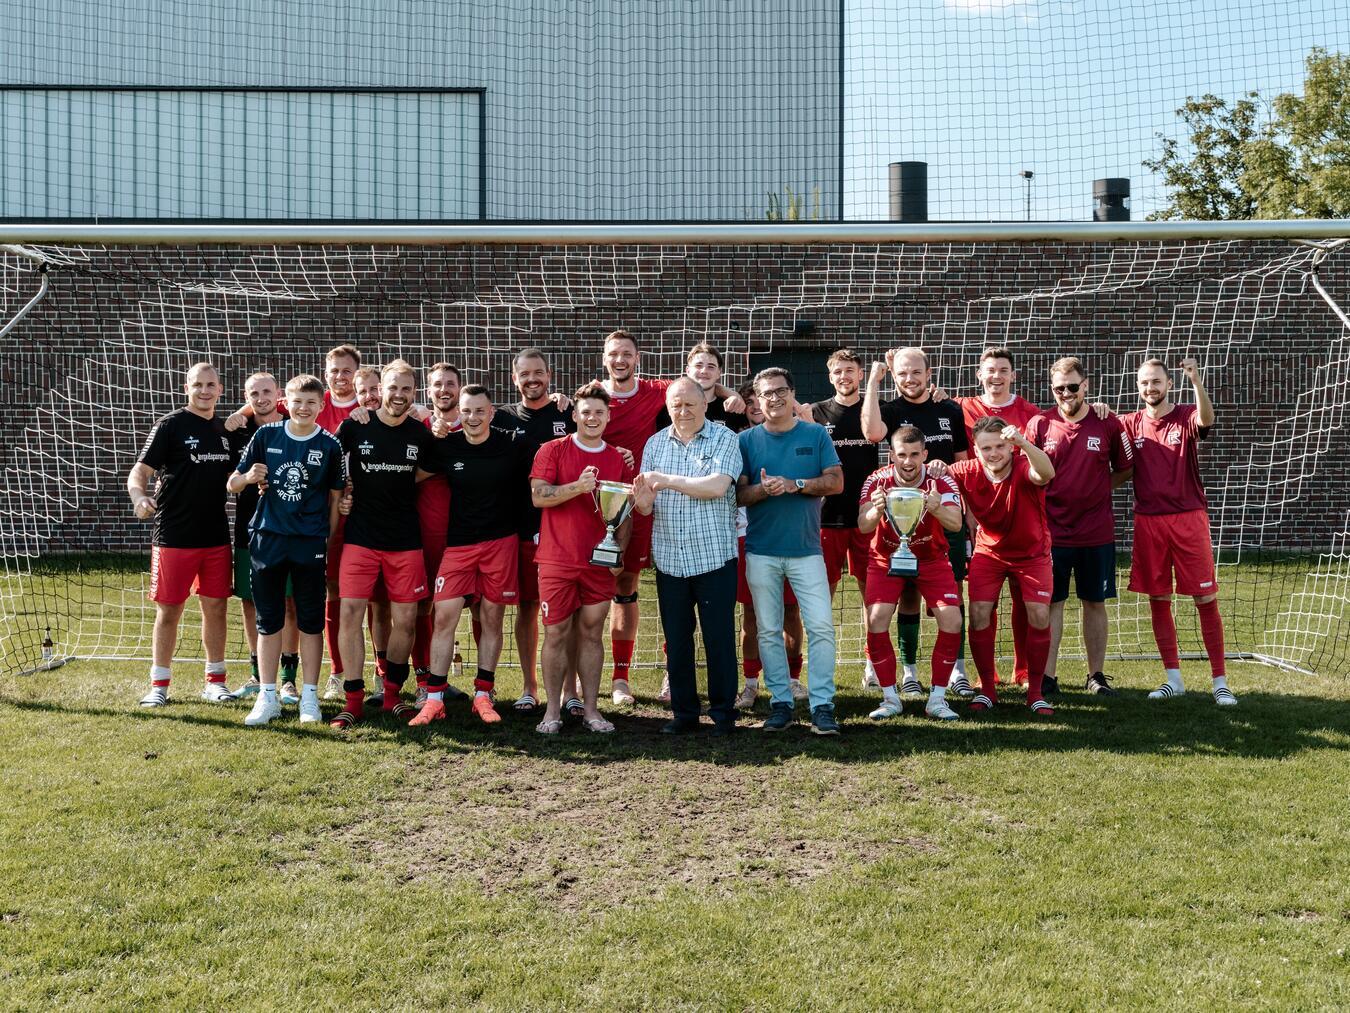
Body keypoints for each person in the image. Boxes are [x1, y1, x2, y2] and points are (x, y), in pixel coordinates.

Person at [600, 330, 742, 705]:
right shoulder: (607, 405)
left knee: (711, 633)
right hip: (638, 531)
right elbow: (647, 503)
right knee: (625, 600)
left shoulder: (717, 433)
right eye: (613, 354)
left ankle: (708, 703)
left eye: (626, 353)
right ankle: (650, 695)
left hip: (698, 544)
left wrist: (731, 394)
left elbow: (698, 384)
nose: (620, 360)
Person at [410, 385, 534, 727]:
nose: (473, 417)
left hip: (501, 544)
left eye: (480, 411)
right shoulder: (446, 447)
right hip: (459, 545)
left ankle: (483, 694)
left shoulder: (512, 447)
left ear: (491, 413)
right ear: (458, 414)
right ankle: (434, 698)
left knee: (492, 619)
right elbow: (409, 477)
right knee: (444, 614)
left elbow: (551, 456)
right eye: (467, 411)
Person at [229, 375, 346, 726]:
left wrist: (324, 539)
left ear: (321, 406)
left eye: (311, 402)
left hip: (309, 542)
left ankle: (309, 697)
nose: (303, 408)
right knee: (269, 621)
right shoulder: (266, 436)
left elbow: (337, 499)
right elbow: (232, 484)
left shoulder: (329, 445)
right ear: (286, 402)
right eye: (297, 401)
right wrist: (249, 477)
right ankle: (268, 697)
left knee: (310, 622)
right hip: (268, 539)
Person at [127, 362, 246, 707]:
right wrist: (139, 496)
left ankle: (215, 681)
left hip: (215, 536)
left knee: (217, 609)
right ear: (186, 388)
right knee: (169, 611)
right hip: (174, 536)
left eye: (211, 385)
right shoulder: (170, 425)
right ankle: (159, 686)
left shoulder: (227, 432)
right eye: (198, 385)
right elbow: (140, 471)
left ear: (220, 390)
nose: (205, 391)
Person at [1121, 357, 1236, 706]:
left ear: (1169, 384)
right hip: (1149, 521)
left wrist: (1197, 382)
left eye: (1156, 381)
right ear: (1138, 387)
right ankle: (1174, 678)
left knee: (1205, 598)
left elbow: (1206, 420)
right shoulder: (1130, 423)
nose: (1150, 388)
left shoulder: (1186, 414)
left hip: (1189, 518)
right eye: (1144, 382)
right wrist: (1099, 409)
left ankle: (1220, 682)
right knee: (1158, 598)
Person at [736, 367, 845, 735]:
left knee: (821, 627)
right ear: (757, 399)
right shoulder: (747, 440)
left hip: (806, 549)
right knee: (767, 629)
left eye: (781, 391)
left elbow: (836, 482)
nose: (774, 399)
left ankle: (822, 705)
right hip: (761, 550)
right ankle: (780, 702)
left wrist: (795, 484)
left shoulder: (815, 434)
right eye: (766, 394)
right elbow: (739, 494)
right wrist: (764, 490)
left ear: (792, 393)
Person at [331, 360, 440, 727]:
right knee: (349, 614)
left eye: (406, 389)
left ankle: (392, 695)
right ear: (381, 390)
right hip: (360, 538)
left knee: (406, 619)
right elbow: (330, 464)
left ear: (414, 393)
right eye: (392, 388)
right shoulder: (354, 426)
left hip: (405, 540)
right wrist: (343, 494)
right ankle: (354, 699)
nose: (398, 395)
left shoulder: (421, 435)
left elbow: (425, 473)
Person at [861, 347, 974, 697]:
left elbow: (964, 462)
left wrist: (947, 476)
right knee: (907, 597)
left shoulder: (949, 409)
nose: (909, 379)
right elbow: (871, 433)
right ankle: (908, 671)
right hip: (900, 518)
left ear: (929, 373)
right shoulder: (891, 410)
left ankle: (957, 670)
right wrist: (874, 383)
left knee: (952, 596)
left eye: (916, 372)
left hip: (942, 507)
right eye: (902, 374)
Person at [633, 377, 742, 735]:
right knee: (677, 640)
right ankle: (684, 713)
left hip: (714, 557)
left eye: (689, 404)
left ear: (705, 404)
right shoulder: (654, 444)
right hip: (669, 559)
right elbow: (647, 508)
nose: (682, 411)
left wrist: (666, 479)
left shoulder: (725, 439)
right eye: (676, 405)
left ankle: (723, 713)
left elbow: (717, 486)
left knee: (718, 638)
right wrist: (643, 498)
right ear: (668, 407)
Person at [931, 417, 1057, 716]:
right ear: (975, 449)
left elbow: (1047, 472)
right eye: (986, 448)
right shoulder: (968, 470)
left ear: (1010, 446)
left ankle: (1036, 693)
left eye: (1000, 446)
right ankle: (988, 689)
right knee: (977, 614)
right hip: (989, 552)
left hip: (1032, 554)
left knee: (1039, 614)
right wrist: (935, 465)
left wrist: (1024, 443)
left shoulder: (1025, 465)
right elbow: (937, 474)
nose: (994, 453)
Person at [530, 382, 634, 734]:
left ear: (608, 417)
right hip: (557, 560)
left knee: (592, 634)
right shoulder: (552, 450)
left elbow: (624, 512)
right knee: (556, 632)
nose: (592, 418)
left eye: (599, 413)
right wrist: (576, 486)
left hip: (598, 562)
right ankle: (552, 711)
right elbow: (539, 497)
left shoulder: (617, 459)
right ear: (574, 415)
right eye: (585, 412)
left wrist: (618, 548)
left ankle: (591, 711)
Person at [1026, 357, 1133, 695]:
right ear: (1052, 389)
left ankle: (1096, 676)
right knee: (1052, 603)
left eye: (1073, 387)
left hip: (1095, 532)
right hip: (1052, 531)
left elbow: (1126, 467)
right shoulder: (1040, 424)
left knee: (1094, 602)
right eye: (1060, 388)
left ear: (1086, 385)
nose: (1067, 394)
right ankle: (1048, 676)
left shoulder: (1108, 423)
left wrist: (1098, 489)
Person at [856, 426, 965, 721]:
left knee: (952, 619)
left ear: (925, 455)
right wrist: (876, 511)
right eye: (902, 454)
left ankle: (938, 699)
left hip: (931, 558)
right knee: (876, 618)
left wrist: (937, 507)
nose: (908, 461)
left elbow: (955, 523)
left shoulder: (940, 480)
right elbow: (864, 525)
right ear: (891, 455)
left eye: (915, 454)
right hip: (886, 558)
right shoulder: (877, 480)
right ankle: (891, 698)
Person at [496, 348, 577, 711]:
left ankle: (570, 691)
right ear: (515, 379)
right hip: (519, 525)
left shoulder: (566, 413)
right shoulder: (500, 417)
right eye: (525, 374)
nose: (532, 379)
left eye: (539, 373)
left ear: (550, 375)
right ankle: (530, 687)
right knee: (528, 608)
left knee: (568, 612)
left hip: (563, 526)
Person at [808, 348, 879, 689]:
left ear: (860, 374)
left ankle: (872, 663)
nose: (843, 377)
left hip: (867, 515)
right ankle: (821, 667)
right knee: (823, 596)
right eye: (837, 371)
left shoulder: (872, 411)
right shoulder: (816, 413)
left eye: (849, 370)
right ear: (830, 376)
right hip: (827, 517)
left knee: (873, 596)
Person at [733, 383, 805, 709]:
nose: (758, 406)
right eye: (750, 401)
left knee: (791, 611)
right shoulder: (737, 442)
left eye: (762, 399)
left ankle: (792, 679)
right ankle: (750, 683)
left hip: (790, 535)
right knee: (752, 615)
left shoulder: (798, 435)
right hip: (749, 536)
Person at [228, 372, 300, 700]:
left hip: (289, 529)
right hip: (248, 528)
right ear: (247, 396)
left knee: (289, 604)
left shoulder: (293, 424)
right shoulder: (238, 431)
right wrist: (246, 477)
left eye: (267, 391)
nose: (261, 398)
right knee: (250, 601)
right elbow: (230, 479)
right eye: (253, 393)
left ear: (279, 394)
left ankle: (288, 678)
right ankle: (257, 674)